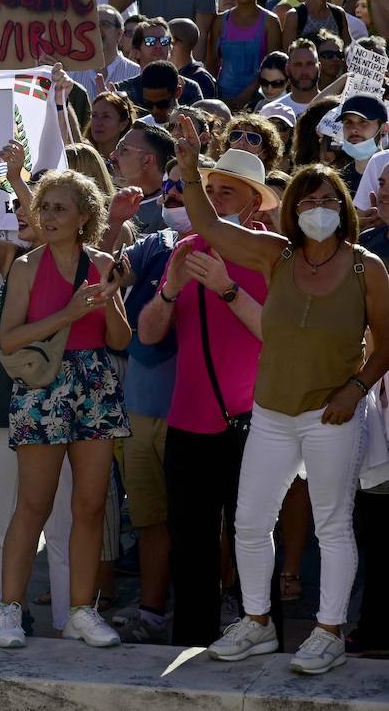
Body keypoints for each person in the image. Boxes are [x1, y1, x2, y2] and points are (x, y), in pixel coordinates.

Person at [167, 108, 389, 676]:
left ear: (345, 208)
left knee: (333, 526)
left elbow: (387, 343)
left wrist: (356, 389)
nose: (319, 209)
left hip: (332, 415)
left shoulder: (369, 269)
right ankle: (258, 622)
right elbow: (211, 228)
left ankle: (329, 630)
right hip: (270, 414)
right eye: (309, 201)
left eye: (330, 201)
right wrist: (191, 169)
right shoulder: (275, 256)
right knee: (248, 522)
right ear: (292, 210)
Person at [136, 149, 273, 648]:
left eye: (226, 194)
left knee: (252, 539)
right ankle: (192, 639)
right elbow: (148, 335)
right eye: (208, 192)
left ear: (254, 205)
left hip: (253, 424)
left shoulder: (269, 253)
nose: (212, 202)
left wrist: (227, 288)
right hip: (189, 422)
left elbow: (274, 335)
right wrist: (170, 290)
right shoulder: (185, 248)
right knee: (190, 542)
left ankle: (263, 633)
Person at [0, 171, 132, 649]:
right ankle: (9, 610)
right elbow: (8, 338)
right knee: (33, 504)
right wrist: (68, 315)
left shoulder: (103, 261)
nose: (47, 216)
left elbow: (120, 340)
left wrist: (109, 299)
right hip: (43, 387)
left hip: (95, 382)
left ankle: (81, 610)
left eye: (59, 208)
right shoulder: (27, 267)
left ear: (84, 217)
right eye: (44, 207)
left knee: (91, 506)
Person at [208, 0, 281, 110]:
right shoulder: (220, 21)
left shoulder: (271, 21)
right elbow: (212, 63)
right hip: (223, 98)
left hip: (260, 98)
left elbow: (274, 64)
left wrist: (249, 92)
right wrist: (216, 97)